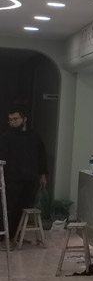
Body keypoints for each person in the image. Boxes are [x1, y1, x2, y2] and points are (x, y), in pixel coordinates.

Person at [0, 104, 48, 246]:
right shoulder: (6, 137)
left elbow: (41, 157)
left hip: (30, 179)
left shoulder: (35, 137)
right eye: (10, 120)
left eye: (15, 119)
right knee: (9, 209)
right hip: (11, 179)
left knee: (24, 208)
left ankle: (17, 236)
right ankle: (5, 239)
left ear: (24, 119)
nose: (13, 122)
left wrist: (43, 175)